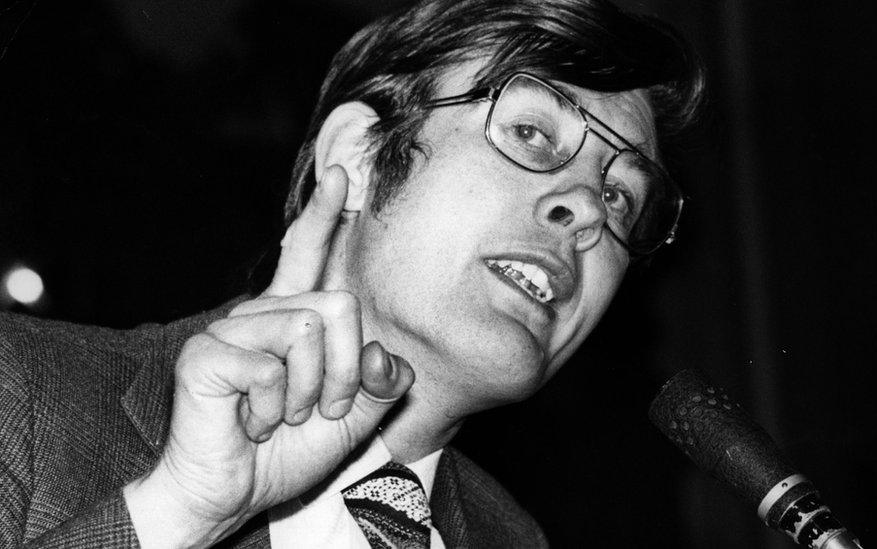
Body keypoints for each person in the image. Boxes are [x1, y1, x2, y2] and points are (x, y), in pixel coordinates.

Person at [0, 0, 703, 546]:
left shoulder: (513, 537)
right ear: (361, 158)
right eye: (532, 132)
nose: (586, 208)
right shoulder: (22, 392)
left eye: (620, 196)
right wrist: (176, 511)